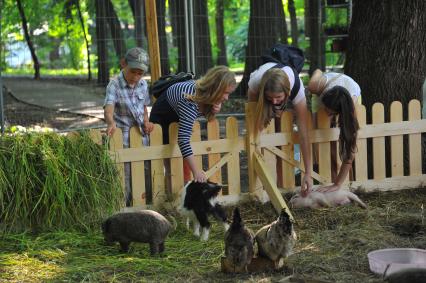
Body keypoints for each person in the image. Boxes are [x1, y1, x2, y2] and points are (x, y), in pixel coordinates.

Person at [150, 65, 236, 183]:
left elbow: (208, 117)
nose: (227, 98)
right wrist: (196, 172)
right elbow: (183, 140)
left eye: (229, 93)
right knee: (171, 167)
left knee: (183, 164)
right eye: (225, 93)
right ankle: (172, 194)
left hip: (177, 118)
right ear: (214, 89)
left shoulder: (205, 93)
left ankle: (182, 186)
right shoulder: (190, 102)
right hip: (162, 122)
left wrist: (215, 108)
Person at [248, 64, 313, 197]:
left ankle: (282, 181)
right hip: (260, 93)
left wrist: (308, 172)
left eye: (278, 97)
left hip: (283, 92)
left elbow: (304, 133)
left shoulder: (297, 89)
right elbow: (253, 120)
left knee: (282, 132)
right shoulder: (256, 83)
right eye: (270, 98)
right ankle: (266, 182)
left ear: (287, 92)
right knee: (265, 129)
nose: (274, 101)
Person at [104, 47, 154, 206]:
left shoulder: (143, 85)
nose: (136, 76)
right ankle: (124, 207)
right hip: (123, 139)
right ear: (123, 64)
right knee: (125, 175)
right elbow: (108, 107)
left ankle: (146, 205)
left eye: (141, 73)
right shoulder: (114, 85)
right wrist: (111, 122)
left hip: (141, 138)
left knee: (146, 171)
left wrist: (146, 121)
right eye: (133, 71)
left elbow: (144, 107)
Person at [307, 69, 361, 193]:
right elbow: (318, 71)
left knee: (345, 137)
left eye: (330, 112)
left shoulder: (350, 109)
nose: (327, 113)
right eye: (325, 109)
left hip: (351, 92)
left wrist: (337, 184)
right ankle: (323, 171)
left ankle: (346, 181)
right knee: (322, 139)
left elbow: (350, 152)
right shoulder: (316, 86)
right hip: (327, 86)